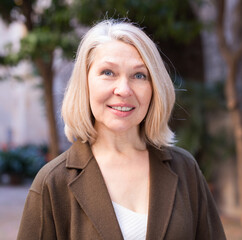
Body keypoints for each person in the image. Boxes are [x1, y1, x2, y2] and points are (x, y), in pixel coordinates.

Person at [17, 19, 226, 240]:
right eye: (108, 72)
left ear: (154, 88)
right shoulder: (52, 182)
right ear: (85, 83)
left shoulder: (186, 169)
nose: (124, 89)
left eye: (139, 75)